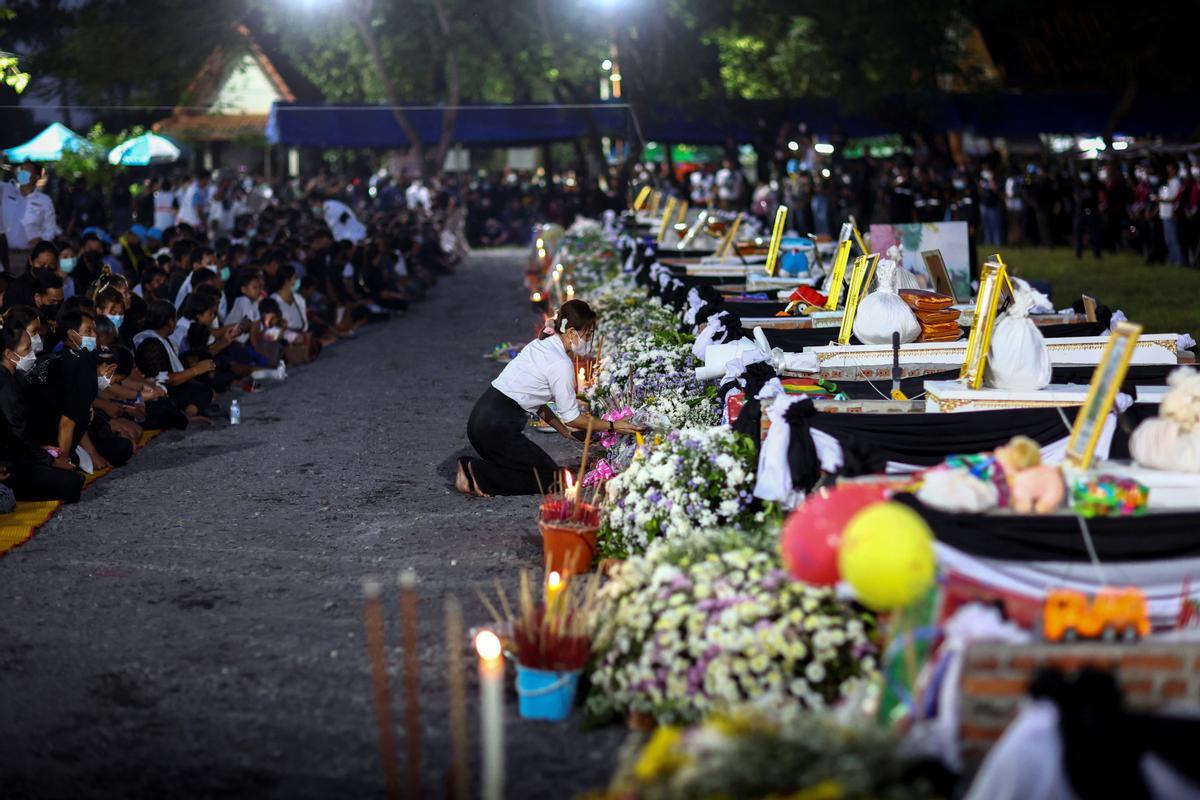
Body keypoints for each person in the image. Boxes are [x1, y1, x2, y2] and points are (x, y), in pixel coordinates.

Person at [458, 299, 643, 496]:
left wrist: (563, 431)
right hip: (496, 429)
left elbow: (538, 403)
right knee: (552, 481)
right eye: (587, 335)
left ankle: (471, 468)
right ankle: (477, 473)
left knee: (538, 470)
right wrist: (614, 426)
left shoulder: (541, 344)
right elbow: (573, 418)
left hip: (480, 421)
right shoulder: (561, 364)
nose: (589, 341)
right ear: (572, 333)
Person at [0, 321, 84, 502]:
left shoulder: (16, 377)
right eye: (26, 348)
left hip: (18, 455)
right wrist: (49, 460)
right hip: (8, 464)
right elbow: (17, 432)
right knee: (72, 483)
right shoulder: (5, 386)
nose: (31, 353)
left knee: (71, 467)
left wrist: (43, 451)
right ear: (8, 354)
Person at [1, 162, 58, 275]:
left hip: (28, 257)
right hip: (3, 255)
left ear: (36, 177)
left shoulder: (44, 201)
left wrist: (41, 239)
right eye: (21, 169)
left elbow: (51, 229)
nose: (22, 173)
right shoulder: (6, 191)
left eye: (27, 171)